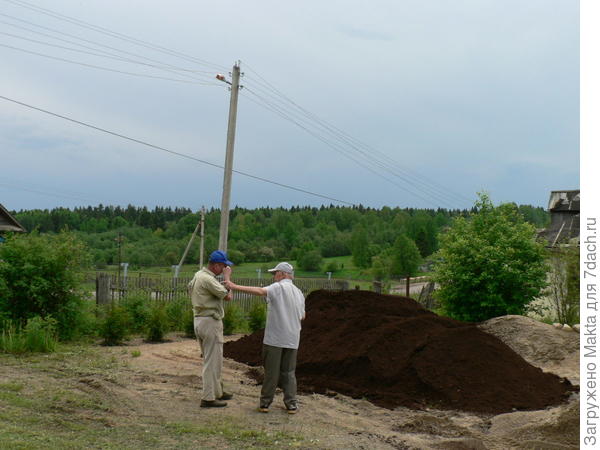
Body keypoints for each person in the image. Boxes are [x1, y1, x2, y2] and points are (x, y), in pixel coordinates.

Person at [225, 262, 305, 414]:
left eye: (275, 273)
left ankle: (265, 403)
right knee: (289, 372)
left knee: (271, 372)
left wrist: (233, 285)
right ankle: (291, 404)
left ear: (282, 274)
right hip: (293, 339)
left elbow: (260, 291)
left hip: (275, 338)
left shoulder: (278, 287)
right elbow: (303, 316)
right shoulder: (299, 292)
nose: (274, 276)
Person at [188, 250, 234, 408]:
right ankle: (208, 398)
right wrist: (228, 280)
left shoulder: (198, 275)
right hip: (210, 322)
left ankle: (218, 391)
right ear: (215, 265)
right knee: (211, 361)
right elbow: (228, 296)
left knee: (215, 359)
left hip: (199, 319)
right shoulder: (208, 278)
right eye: (223, 266)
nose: (224, 270)